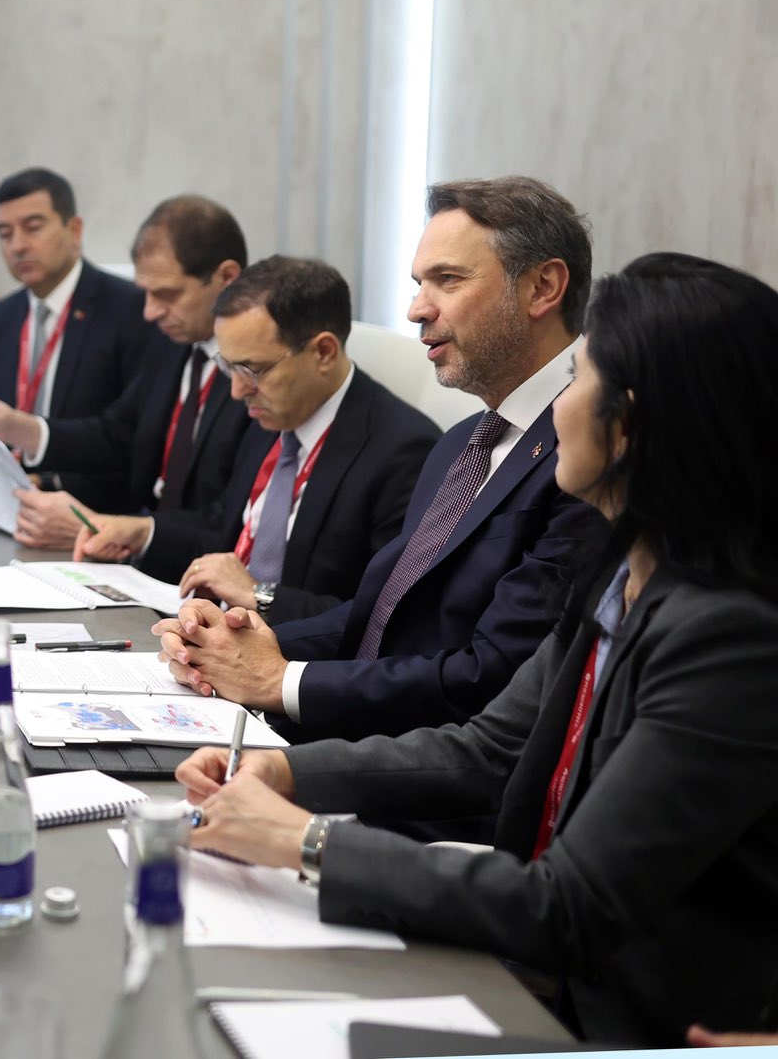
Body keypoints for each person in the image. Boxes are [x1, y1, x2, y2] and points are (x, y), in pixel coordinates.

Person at [176, 252, 778, 1048]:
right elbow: (489, 748)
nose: (558, 405)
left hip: (620, 1022)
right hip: (532, 966)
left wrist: (304, 841)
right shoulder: (620, 570)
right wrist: (286, 774)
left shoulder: (729, 637)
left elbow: (568, 906)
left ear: (627, 426)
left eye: (579, 379)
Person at [158, 177, 604, 746]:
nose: (417, 309)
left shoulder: (591, 456)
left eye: (447, 280)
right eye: (419, 284)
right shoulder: (462, 442)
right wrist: (232, 640)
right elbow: (384, 614)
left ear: (542, 287)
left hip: (428, 772)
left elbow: (494, 675)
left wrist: (281, 681)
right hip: (353, 733)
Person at [97, 257, 439, 615]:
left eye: (252, 369)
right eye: (229, 367)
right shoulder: (273, 415)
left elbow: (384, 616)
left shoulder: (404, 453)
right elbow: (227, 528)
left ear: (323, 352)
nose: (237, 391)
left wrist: (259, 596)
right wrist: (143, 534)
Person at [0, 194, 251, 552]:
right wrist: (15, 426)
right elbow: (116, 435)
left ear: (227, 278)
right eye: (146, 294)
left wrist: (121, 531)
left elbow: (232, 519)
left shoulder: (256, 372)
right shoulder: (175, 345)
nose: (150, 312)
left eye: (167, 294)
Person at [0, 167, 159, 512]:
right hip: (7, 506)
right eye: (5, 234)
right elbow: (2, 423)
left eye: (33, 227)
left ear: (74, 230)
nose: (18, 246)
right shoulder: (3, 316)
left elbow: (130, 442)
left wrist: (47, 483)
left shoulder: (130, 309)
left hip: (93, 513)